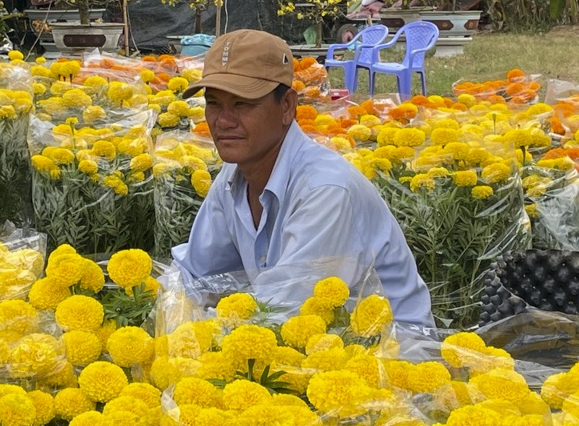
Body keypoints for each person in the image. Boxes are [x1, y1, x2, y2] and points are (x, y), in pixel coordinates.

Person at [173, 28, 432, 325]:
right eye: (214, 103)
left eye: (242, 104)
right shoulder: (235, 177)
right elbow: (196, 275)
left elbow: (285, 313)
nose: (223, 120)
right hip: (318, 343)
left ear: (287, 106)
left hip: (393, 356)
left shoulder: (325, 190)